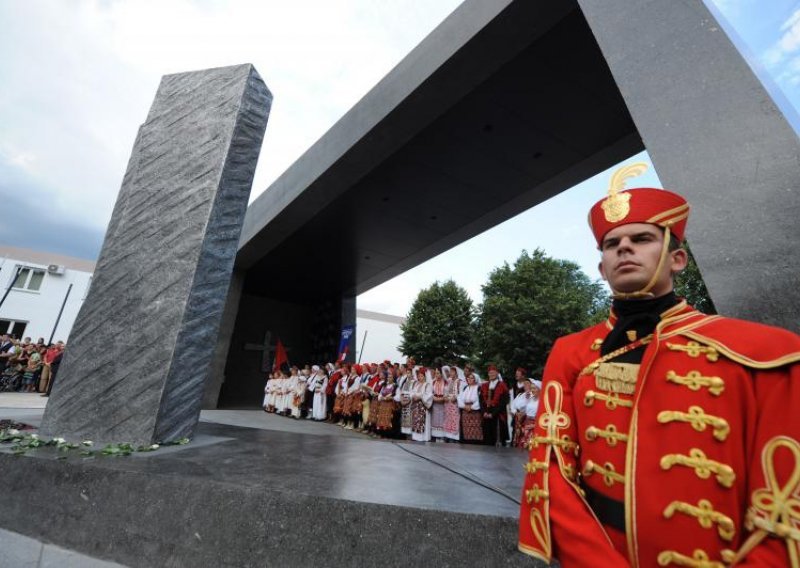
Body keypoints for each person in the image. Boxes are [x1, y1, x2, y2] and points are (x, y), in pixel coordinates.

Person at [517, 165, 800, 567]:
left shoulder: (769, 353)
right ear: (602, 269)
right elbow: (551, 473)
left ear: (678, 259)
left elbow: (785, 511)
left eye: (642, 239)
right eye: (612, 243)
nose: (624, 248)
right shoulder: (570, 351)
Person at [479, 364, 510, 446]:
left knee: (497, 438)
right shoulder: (484, 385)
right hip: (486, 415)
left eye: (493, 373)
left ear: (497, 374)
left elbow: (504, 402)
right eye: (490, 373)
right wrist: (484, 412)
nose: (491, 374)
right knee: (487, 439)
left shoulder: (502, 386)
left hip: (498, 415)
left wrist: (493, 414)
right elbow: (481, 400)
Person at [510, 378, 540, 449]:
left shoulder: (537, 399)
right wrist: (516, 413)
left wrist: (535, 425)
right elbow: (514, 405)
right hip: (524, 422)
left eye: (534, 388)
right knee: (522, 443)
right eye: (524, 384)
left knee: (531, 445)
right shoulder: (522, 395)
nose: (532, 390)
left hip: (534, 424)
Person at [457, 371, 482, 443]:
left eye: (472, 378)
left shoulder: (478, 388)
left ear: (475, 379)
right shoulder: (465, 388)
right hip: (465, 411)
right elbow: (460, 398)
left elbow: (479, 400)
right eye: (468, 378)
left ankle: (475, 443)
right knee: (466, 429)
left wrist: (472, 407)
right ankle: (466, 442)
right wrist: (464, 406)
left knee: (475, 428)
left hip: (475, 412)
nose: (469, 379)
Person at [410, 367, 433, 442]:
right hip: (415, 406)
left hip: (422, 406)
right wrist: (413, 396)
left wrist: (419, 396)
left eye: (421, 376)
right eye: (419, 376)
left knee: (422, 421)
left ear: (425, 376)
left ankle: (423, 438)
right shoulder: (416, 384)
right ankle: (416, 437)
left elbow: (428, 395)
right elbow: (412, 392)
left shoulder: (427, 385)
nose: (420, 378)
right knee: (415, 421)